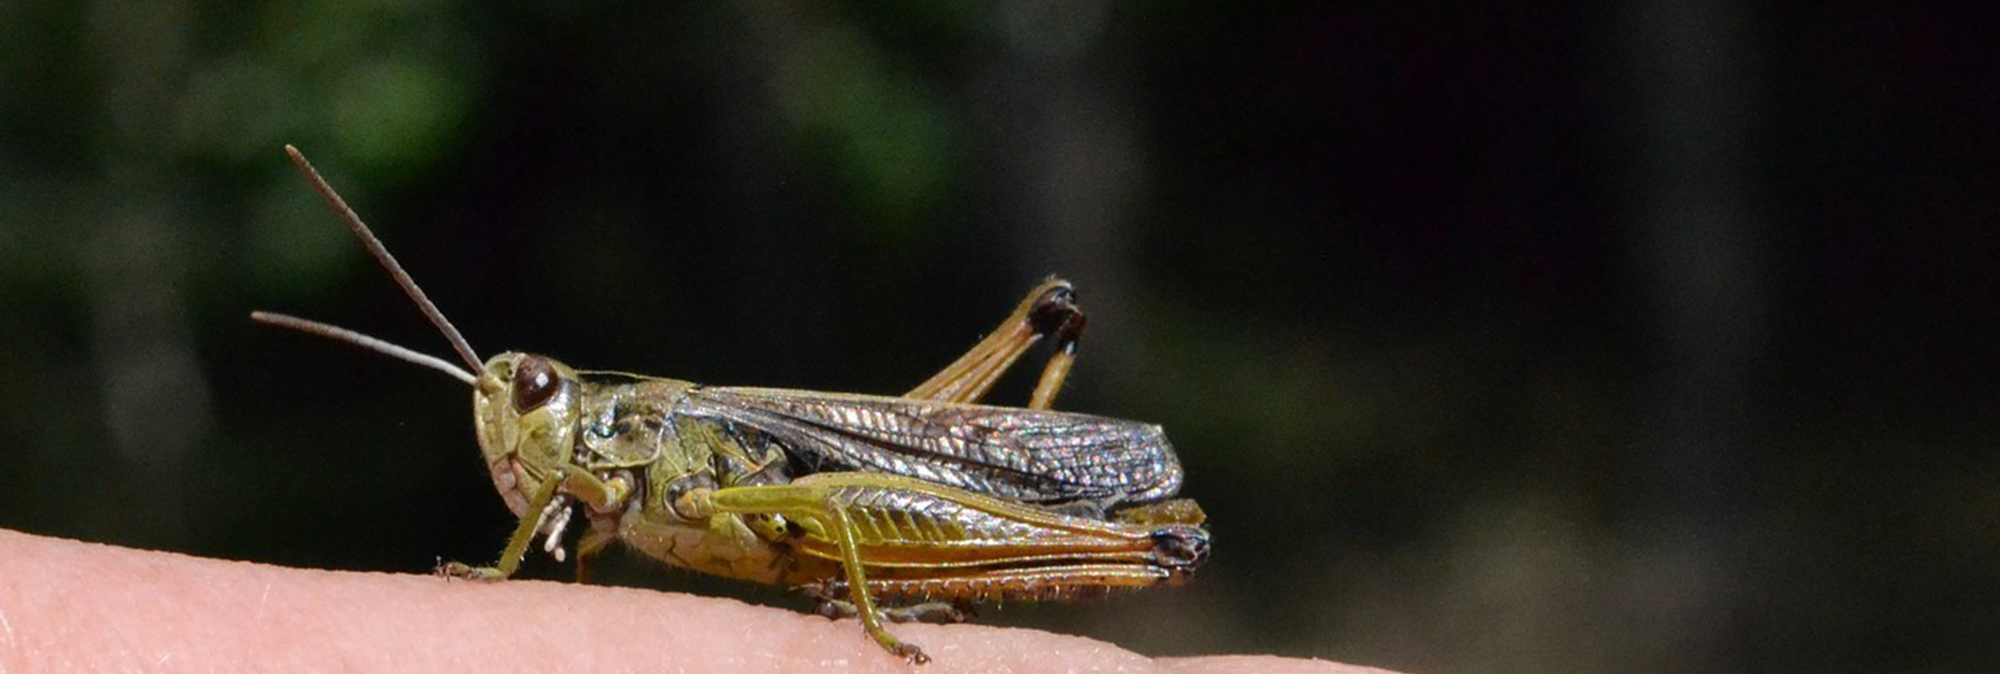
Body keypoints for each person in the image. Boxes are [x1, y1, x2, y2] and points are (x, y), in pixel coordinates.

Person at [0, 528, 1389, 672]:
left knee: (842, 500)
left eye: (531, 395)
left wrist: (887, 627)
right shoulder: (591, 496)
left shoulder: (665, 448)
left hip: (869, 515)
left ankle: (1117, 538)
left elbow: (829, 506)